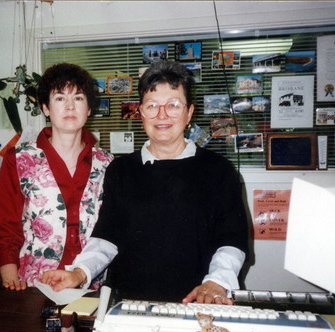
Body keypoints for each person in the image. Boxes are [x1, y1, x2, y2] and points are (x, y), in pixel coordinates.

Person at [91, 60, 249, 304]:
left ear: (189, 113)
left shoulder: (219, 171)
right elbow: (107, 235)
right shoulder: (120, 170)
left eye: (173, 105)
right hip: (127, 303)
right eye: (152, 105)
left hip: (197, 299)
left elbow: (231, 240)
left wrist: (216, 282)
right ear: (141, 112)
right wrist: (79, 271)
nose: (162, 115)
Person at [0, 63, 116, 292]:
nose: (70, 106)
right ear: (46, 108)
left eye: (78, 98)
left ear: (89, 109)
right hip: (33, 283)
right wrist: (9, 277)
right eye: (59, 98)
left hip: (90, 282)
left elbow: (112, 230)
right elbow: (4, 226)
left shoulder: (107, 163)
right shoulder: (19, 159)